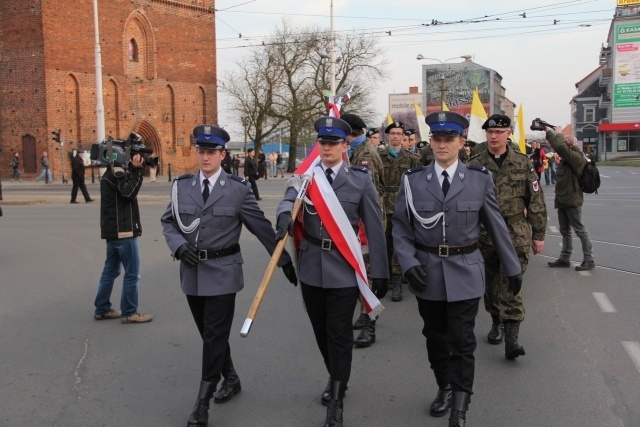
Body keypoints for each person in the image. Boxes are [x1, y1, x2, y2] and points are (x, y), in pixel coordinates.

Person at [161, 124, 297, 427]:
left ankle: (201, 403)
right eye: (201, 151)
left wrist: (283, 260)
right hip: (192, 273)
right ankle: (231, 378)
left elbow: (261, 227)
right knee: (210, 335)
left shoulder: (237, 189)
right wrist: (179, 247)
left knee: (213, 337)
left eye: (211, 151)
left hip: (223, 273)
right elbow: (169, 222)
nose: (205, 156)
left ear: (223, 154)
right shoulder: (182, 186)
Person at [393, 111, 522, 427]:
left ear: (462, 142)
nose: (441, 145)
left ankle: (460, 407)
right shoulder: (412, 181)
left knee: (463, 339)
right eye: (436, 139)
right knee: (435, 337)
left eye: (448, 139)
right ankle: (444, 385)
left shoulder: (479, 179)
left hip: (465, 271)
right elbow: (400, 227)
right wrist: (408, 264)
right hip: (427, 272)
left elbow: (495, 225)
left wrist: (512, 266)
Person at [275, 116, 388, 427]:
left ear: (344, 145)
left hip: (343, 268)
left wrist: (381, 271)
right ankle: (337, 374)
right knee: (321, 332)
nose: (326, 148)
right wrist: (283, 217)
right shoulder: (306, 177)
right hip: (311, 266)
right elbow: (287, 201)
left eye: (333, 143)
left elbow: (375, 228)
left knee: (339, 334)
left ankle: (336, 401)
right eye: (322, 143)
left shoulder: (360, 180)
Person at [467, 114, 546, 361]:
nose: (494, 137)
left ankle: (512, 338)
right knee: (490, 284)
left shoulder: (522, 163)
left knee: (512, 281)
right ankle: (496, 321)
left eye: (499, 132)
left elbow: (535, 201)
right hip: (485, 234)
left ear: (508, 133)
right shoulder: (474, 164)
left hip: (515, 232)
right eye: (490, 132)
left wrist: (539, 234)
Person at [342, 113, 386, 347]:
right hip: (354, 223)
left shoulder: (365, 154)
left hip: (365, 223)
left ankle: (370, 324)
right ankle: (364, 314)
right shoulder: (354, 151)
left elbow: (365, 193)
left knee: (367, 274)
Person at [94, 150, 152, 324]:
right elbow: (129, 192)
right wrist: (136, 170)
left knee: (110, 271)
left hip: (113, 231)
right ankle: (129, 312)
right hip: (123, 230)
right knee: (132, 273)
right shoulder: (117, 172)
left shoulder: (109, 173)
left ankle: (102, 308)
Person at [379, 121, 420, 301]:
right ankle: (385, 277)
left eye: (398, 133)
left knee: (399, 244)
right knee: (383, 242)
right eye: (392, 133)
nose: (395, 136)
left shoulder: (412, 159)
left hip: (402, 204)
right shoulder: (378, 156)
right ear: (387, 136)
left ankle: (397, 282)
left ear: (404, 136)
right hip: (382, 203)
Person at [545, 131, 595, 271]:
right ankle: (565, 257)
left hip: (572, 199)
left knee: (580, 230)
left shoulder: (576, 157)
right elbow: (558, 147)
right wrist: (548, 132)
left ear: (570, 144)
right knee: (565, 231)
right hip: (563, 198)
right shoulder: (566, 157)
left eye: (565, 143)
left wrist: (555, 133)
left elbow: (561, 147)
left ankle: (589, 259)